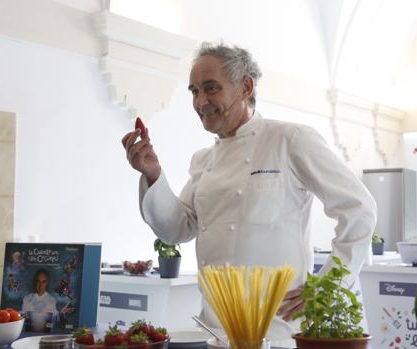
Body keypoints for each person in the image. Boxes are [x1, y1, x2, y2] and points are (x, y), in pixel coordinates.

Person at [121, 42, 377, 341]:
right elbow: (177, 229)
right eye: (194, 91)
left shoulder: (290, 139)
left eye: (211, 88)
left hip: (279, 328)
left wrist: (328, 287)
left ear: (245, 87)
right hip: (214, 328)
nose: (200, 101)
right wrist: (153, 174)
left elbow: (359, 208)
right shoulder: (204, 159)